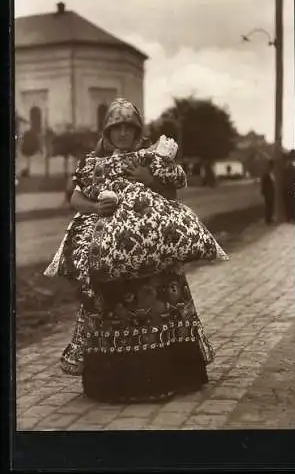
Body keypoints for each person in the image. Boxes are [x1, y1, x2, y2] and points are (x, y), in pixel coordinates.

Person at [55, 98, 216, 402]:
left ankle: (168, 376)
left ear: (139, 131)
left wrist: (150, 179)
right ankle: (116, 383)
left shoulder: (150, 158)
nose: (124, 133)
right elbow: (75, 199)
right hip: (109, 253)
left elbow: (173, 193)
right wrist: (95, 207)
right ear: (108, 132)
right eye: (117, 127)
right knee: (111, 306)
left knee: (161, 301)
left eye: (130, 127)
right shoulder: (92, 164)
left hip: (153, 252)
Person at [282, 151, 295, 223]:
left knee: (289, 204)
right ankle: (291, 218)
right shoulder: (291, 167)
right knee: (291, 204)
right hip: (290, 188)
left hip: (288, 188)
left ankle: (290, 218)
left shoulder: (287, 167)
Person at [260, 159, 275, 225]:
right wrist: (263, 191)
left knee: (270, 205)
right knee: (268, 205)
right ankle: (268, 219)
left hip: (270, 192)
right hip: (268, 192)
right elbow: (263, 184)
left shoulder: (271, 173)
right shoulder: (266, 174)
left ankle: (269, 218)